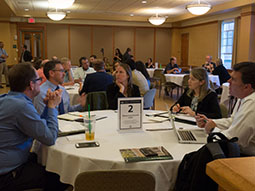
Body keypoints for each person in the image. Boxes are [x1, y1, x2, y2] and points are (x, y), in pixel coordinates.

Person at [0, 62, 69, 191]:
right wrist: (52, 107)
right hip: (8, 174)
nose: (41, 83)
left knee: (44, 160)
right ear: (31, 85)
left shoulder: (8, 99)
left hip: (10, 160)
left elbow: (37, 125)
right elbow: (49, 138)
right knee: (60, 175)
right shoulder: (21, 106)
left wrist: (48, 107)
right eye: (39, 80)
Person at [196, 62, 255, 155]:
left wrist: (213, 129)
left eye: (234, 79)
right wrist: (212, 122)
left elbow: (233, 140)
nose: (229, 81)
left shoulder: (252, 104)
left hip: (248, 159)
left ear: (246, 86)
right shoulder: (242, 98)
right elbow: (233, 121)